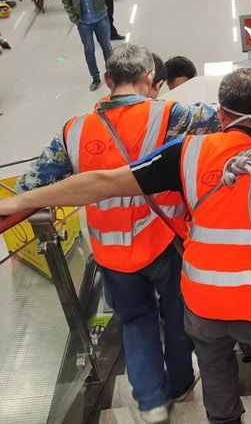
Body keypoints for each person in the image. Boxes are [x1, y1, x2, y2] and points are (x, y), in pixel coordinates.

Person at [0, 65, 251, 424]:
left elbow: (103, 183)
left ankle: (221, 417)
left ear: (220, 113)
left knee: (213, 364)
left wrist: (18, 203)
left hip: (205, 306)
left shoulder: (185, 156)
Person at [14, 45, 221, 424]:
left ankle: (151, 403)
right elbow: (222, 119)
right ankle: (180, 382)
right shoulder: (171, 115)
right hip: (165, 241)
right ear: (150, 79)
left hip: (111, 252)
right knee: (178, 315)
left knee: (136, 322)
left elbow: (30, 183)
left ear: (108, 80)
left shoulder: (73, 130)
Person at [61, 0, 113, 91]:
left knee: (107, 48)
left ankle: (111, 74)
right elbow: (66, 1)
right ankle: (95, 78)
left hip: (101, 18)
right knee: (89, 51)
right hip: (84, 22)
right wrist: (75, 19)